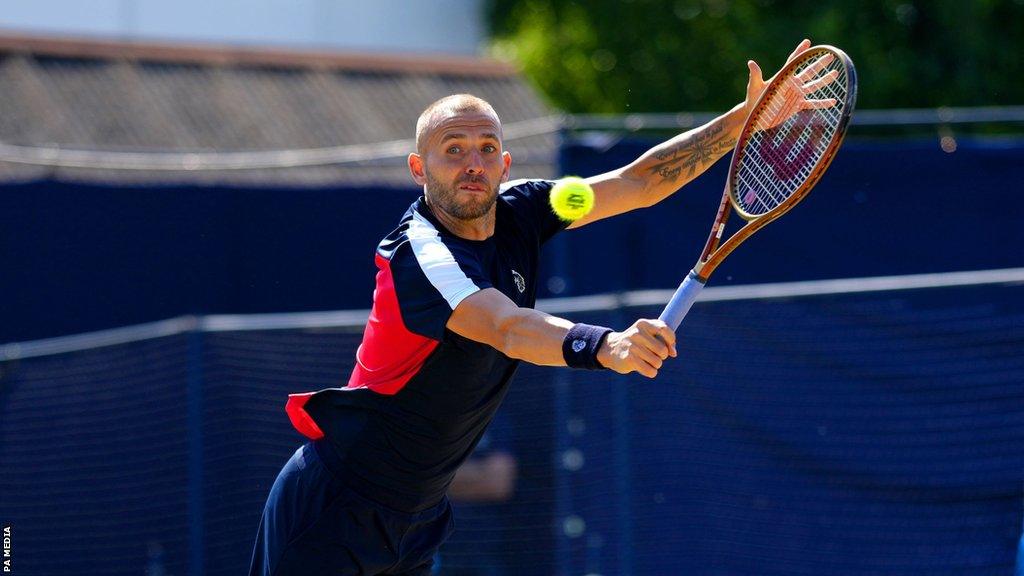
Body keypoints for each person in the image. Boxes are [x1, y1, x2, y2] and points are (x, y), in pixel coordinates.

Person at [250, 39, 822, 576]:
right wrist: (609, 345)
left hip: (417, 519)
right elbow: (508, 328)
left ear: (505, 163)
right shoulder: (421, 256)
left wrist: (741, 124)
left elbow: (637, 181)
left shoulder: (530, 206)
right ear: (419, 170)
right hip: (335, 509)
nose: (473, 163)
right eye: (453, 150)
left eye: (486, 149)